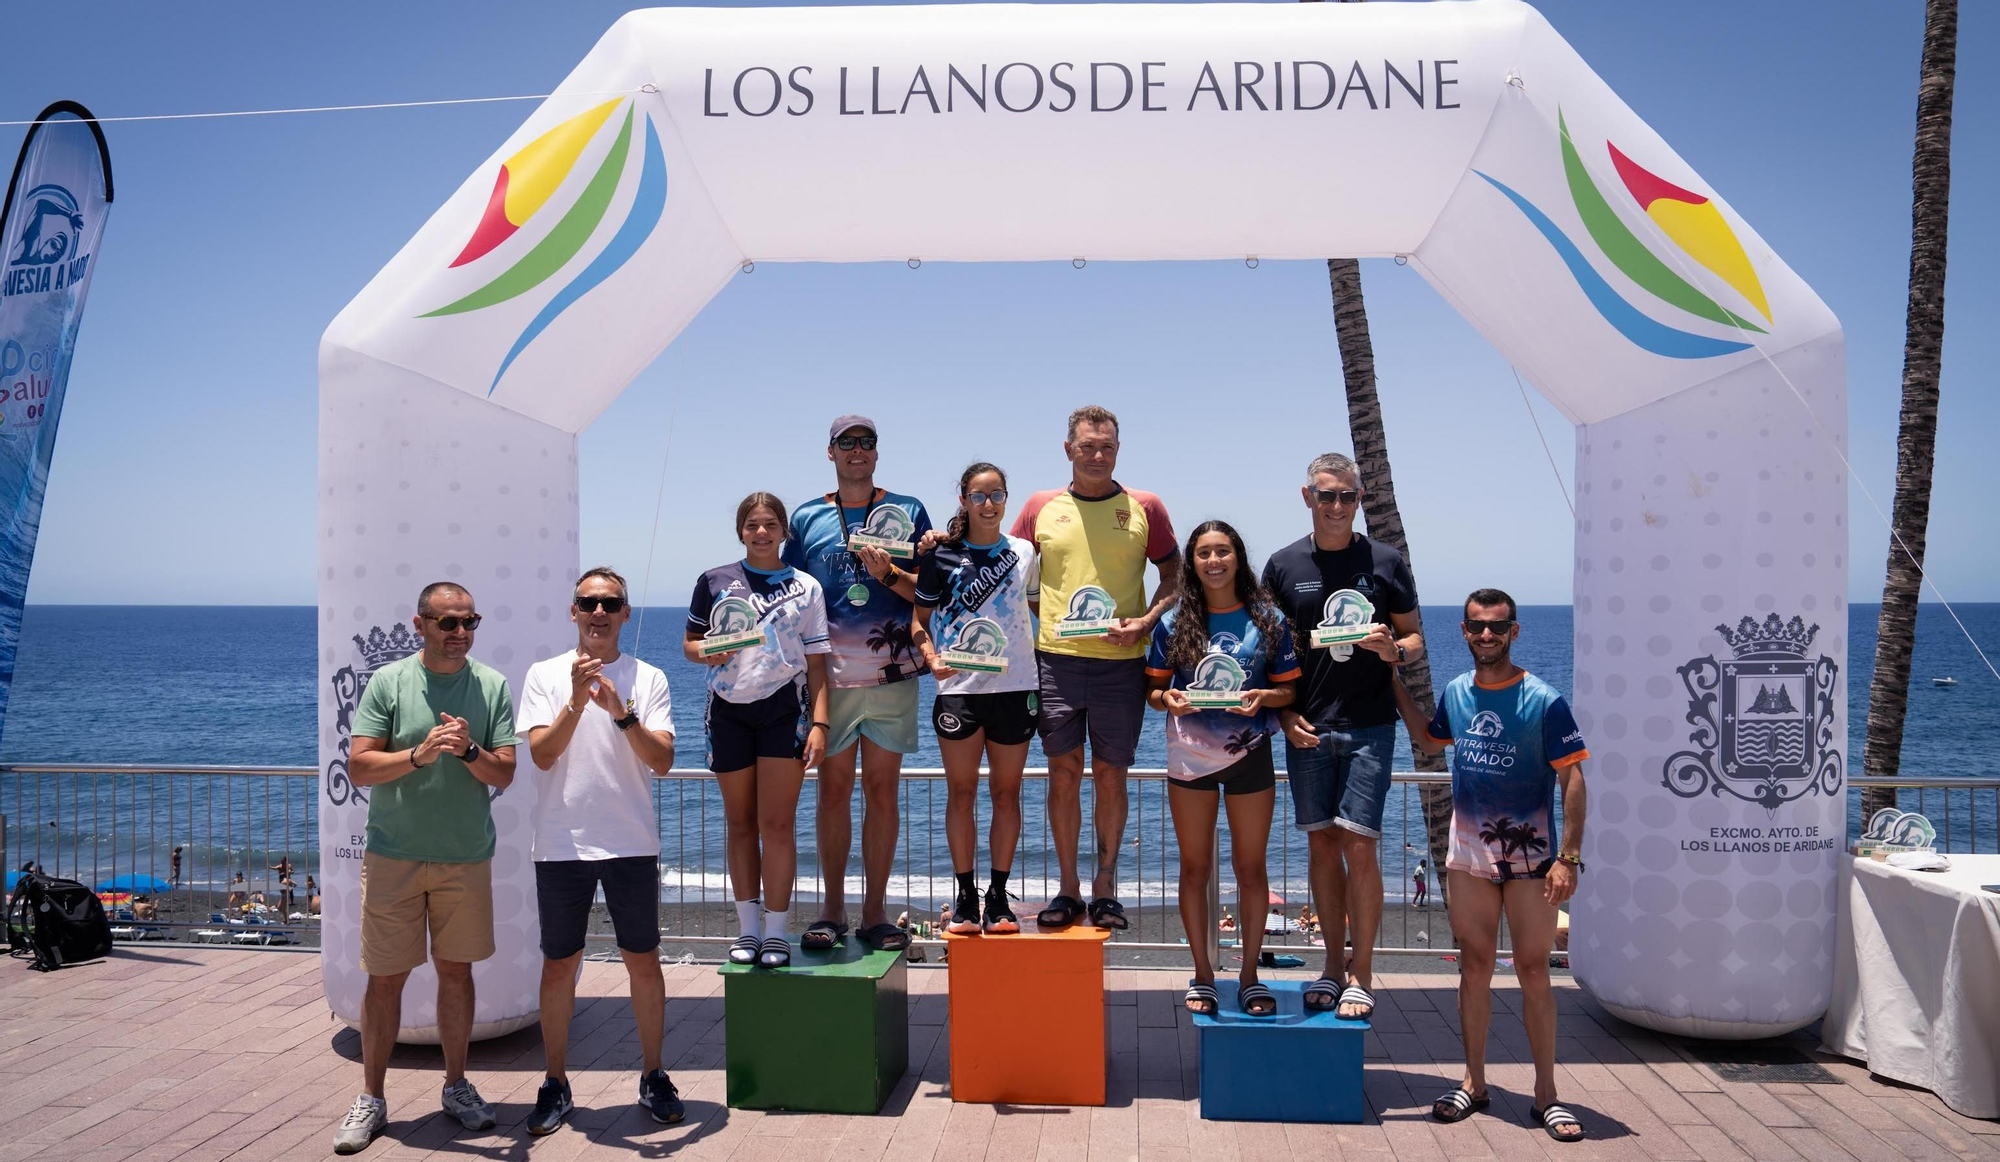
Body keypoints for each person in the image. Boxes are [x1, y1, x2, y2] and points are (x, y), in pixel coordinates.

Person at [1399, 587, 1589, 1143]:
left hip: (1531, 858)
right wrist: (1390, 677)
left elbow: (1573, 778)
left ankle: (1546, 1094)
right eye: (1478, 626)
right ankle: (1474, 1083)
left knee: (1533, 970)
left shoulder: (1544, 699)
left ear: (1514, 631)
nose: (1487, 635)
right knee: (1475, 967)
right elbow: (1429, 739)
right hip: (1469, 855)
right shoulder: (1458, 692)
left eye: (1498, 626)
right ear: (1464, 631)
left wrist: (1568, 858)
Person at [333, 581, 517, 1154]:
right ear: (420, 625)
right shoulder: (388, 682)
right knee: (385, 979)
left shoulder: (491, 685)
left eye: (469, 622)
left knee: (457, 975)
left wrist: (467, 751)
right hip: (395, 855)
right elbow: (360, 767)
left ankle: (456, 1086)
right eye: (448, 622)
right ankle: (371, 1097)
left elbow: (505, 773)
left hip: (465, 856)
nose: (460, 632)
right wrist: (418, 754)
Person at [520, 566, 685, 1134]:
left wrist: (621, 712)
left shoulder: (649, 677)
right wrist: (574, 701)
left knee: (644, 962)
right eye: (588, 602)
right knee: (559, 966)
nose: (598, 612)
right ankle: (555, 1082)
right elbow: (542, 755)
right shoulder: (544, 675)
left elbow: (662, 761)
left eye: (610, 603)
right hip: (560, 843)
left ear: (625, 614)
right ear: (573, 611)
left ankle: (653, 1075)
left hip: (630, 843)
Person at [1261, 451, 1425, 1020]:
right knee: (1322, 847)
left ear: (1359, 499)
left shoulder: (1385, 560)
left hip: (1370, 726)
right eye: (1326, 495)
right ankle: (1332, 967)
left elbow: (1414, 638)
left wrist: (1393, 649)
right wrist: (1283, 717)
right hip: (1307, 725)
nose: (1336, 505)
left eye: (1347, 496)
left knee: (1360, 845)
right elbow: (1269, 653)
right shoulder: (1282, 565)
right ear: (1307, 496)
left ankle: (1362, 975)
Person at [1012, 405, 1179, 931]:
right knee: (1063, 774)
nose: (1098, 455)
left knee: (1111, 775)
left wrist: (1146, 621)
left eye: (1107, 446)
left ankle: (1105, 888)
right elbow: (1004, 565)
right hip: (1056, 663)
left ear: (1118, 450)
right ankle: (1068, 888)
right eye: (1087, 446)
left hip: (1121, 666)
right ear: (1069, 449)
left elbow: (1173, 574)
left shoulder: (1145, 506)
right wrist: (1043, 615)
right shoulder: (1039, 506)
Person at [785, 416, 933, 954]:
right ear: (830, 452)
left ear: (876, 452)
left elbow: (930, 590)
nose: (857, 450)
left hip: (893, 672)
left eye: (866, 442)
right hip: (829, 678)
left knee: (882, 792)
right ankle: (832, 910)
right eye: (846, 442)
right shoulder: (807, 516)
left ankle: (875, 912)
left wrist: (888, 573)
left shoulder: (909, 510)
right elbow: (790, 592)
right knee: (832, 792)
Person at [1145, 521, 1297, 1017]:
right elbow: (1153, 691)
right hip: (1190, 757)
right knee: (1194, 868)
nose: (1214, 561)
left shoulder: (1268, 618)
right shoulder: (1174, 620)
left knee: (1251, 869)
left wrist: (1264, 697)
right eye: (1204, 553)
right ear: (1192, 562)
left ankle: (1250, 975)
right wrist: (1168, 698)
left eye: (1223, 551)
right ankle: (1203, 975)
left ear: (1238, 558)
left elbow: (1288, 690)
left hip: (1250, 755)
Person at [687, 492, 831, 970]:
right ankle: (747, 930)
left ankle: (775, 932)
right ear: (740, 531)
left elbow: (817, 665)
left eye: (770, 524)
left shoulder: (806, 586)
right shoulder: (714, 581)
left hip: (783, 711)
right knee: (741, 823)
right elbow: (690, 645)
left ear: (784, 530)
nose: (762, 532)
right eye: (752, 525)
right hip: (727, 711)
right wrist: (707, 652)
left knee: (778, 825)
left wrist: (820, 724)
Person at [910, 462, 1038, 936]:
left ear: (1006, 499)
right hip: (959, 692)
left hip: (1016, 687)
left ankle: (998, 897)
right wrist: (930, 658)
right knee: (961, 794)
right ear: (964, 500)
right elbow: (918, 621)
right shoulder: (941, 556)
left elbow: (1040, 606)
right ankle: (965, 897)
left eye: (997, 495)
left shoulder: (1024, 551)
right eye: (979, 496)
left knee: (1007, 794)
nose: (989, 504)